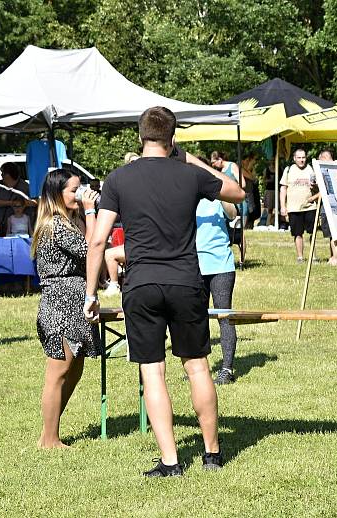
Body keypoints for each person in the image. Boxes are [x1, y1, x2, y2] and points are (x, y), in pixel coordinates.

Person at [84, 107, 244, 477]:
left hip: (141, 284)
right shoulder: (191, 174)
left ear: (140, 137)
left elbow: (98, 241)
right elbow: (237, 192)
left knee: (152, 372)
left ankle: (171, 461)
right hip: (187, 281)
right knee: (198, 367)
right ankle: (211, 455)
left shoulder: (118, 179)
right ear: (173, 139)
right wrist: (191, 159)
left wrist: (91, 294)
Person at [32, 169, 101, 449]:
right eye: (74, 189)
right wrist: (91, 211)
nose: (80, 193)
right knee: (58, 372)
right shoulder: (56, 225)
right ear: (57, 194)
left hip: (73, 302)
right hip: (60, 304)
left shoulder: (67, 222)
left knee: (74, 370)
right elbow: (92, 249)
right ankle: (49, 439)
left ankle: (51, 430)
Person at [196, 187, 240, 384]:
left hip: (221, 264)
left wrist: (217, 192)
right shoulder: (187, 196)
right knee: (197, 318)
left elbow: (233, 214)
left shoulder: (217, 198)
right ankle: (200, 369)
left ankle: (227, 369)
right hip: (193, 266)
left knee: (224, 316)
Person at [281, 148, 318, 262]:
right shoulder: (288, 170)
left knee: (312, 233)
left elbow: (318, 188)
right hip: (294, 208)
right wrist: (283, 206)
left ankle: (314, 256)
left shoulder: (311, 169)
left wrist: (315, 186)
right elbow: (283, 189)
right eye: (299, 158)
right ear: (294, 158)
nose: (301, 160)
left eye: (303, 157)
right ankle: (300, 257)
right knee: (298, 234)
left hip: (310, 206)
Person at [0, 162, 34, 233]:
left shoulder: (25, 187)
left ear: (9, 174)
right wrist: (12, 203)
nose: (1, 175)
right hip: (1, 226)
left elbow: (35, 203)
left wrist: (22, 203)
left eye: (3, 172)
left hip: (21, 228)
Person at [241, 153, 261, 229]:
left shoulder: (250, 169)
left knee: (252, 211)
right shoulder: (240, 169)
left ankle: (250, 227)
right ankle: (245, 227)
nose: (248, 162)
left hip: (251, 192)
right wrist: (249, 167)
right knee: (247, 211)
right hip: (245, 193)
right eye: (247, 160)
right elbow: (252, 177)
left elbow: (255, 178)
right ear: (242, 160)